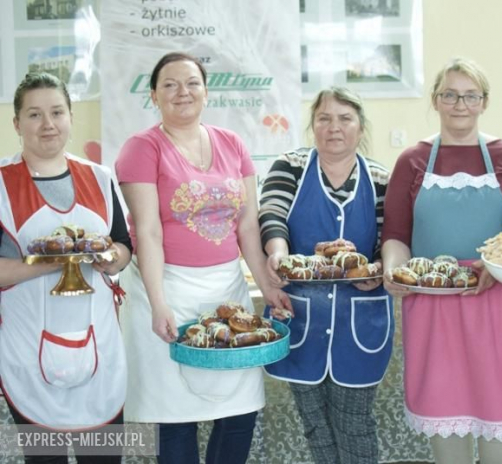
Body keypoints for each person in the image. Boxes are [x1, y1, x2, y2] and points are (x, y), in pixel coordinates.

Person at [115, 52, 287, 464]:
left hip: (227, 293)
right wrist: (159, 303)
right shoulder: (142, 148)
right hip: (166, 288)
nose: (182, 92)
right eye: (170, 84)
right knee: (175, 416)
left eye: (192, 82)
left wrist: (267, 289)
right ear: (154, 95)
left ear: (206, 91)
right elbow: (149, 231)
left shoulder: (233, 143)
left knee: (239, 411)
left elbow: (248, 224)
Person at [382, 58, 502, 464]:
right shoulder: (412, 160)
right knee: (445, 421)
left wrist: (498, 265)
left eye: (470, 95)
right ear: (436, 100)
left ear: (484, 102)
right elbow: (397, 236)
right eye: (450, 94)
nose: (459, 104)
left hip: (500, 304)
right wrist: (392, 269)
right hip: (433, 306)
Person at [0, 72, 132, 462]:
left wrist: (110, 261)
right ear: (17, 124)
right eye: (34, 114)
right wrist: (54, 263)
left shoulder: (100, 177)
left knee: (105, 457)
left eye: (57, 112)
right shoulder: (2, 183)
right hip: (26, 349)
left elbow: (123, 247)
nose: (48, 124)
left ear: (71, 118)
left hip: (100, 348)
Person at [259, 87, 394, 464]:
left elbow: (392, 237)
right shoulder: (291, 167)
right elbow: (271, 212)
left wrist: (380, 266)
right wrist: (278, 253)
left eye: (345, 118)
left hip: (361, 319)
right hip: (301, 316)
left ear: (360, 126)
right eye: (324, 118)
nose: (334, 127)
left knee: (354, 422)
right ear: (313, 125)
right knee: (314, 423)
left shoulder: (381, 178)